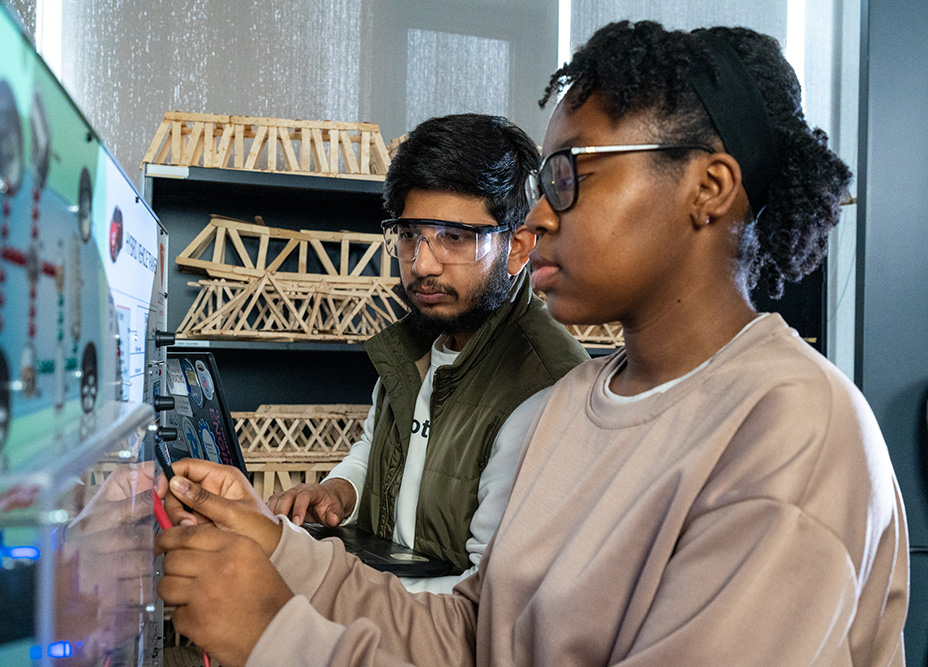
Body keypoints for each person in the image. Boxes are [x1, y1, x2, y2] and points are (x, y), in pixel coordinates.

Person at [155, 21, 909, 667]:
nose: (539, 217)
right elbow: (475, 635)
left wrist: (281, 636)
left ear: (708, 187)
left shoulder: (793, 429)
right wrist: (275, 542)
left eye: (570, 175)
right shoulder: (576, 401)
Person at [266, 113, 589, 593]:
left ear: (518, 248)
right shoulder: (420, 344)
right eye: (410, 235)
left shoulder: (545, 390)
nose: (421, 264)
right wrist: (340, 489)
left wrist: (325, 591)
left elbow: (492, 600)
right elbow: (372, 447)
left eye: (454, 238)